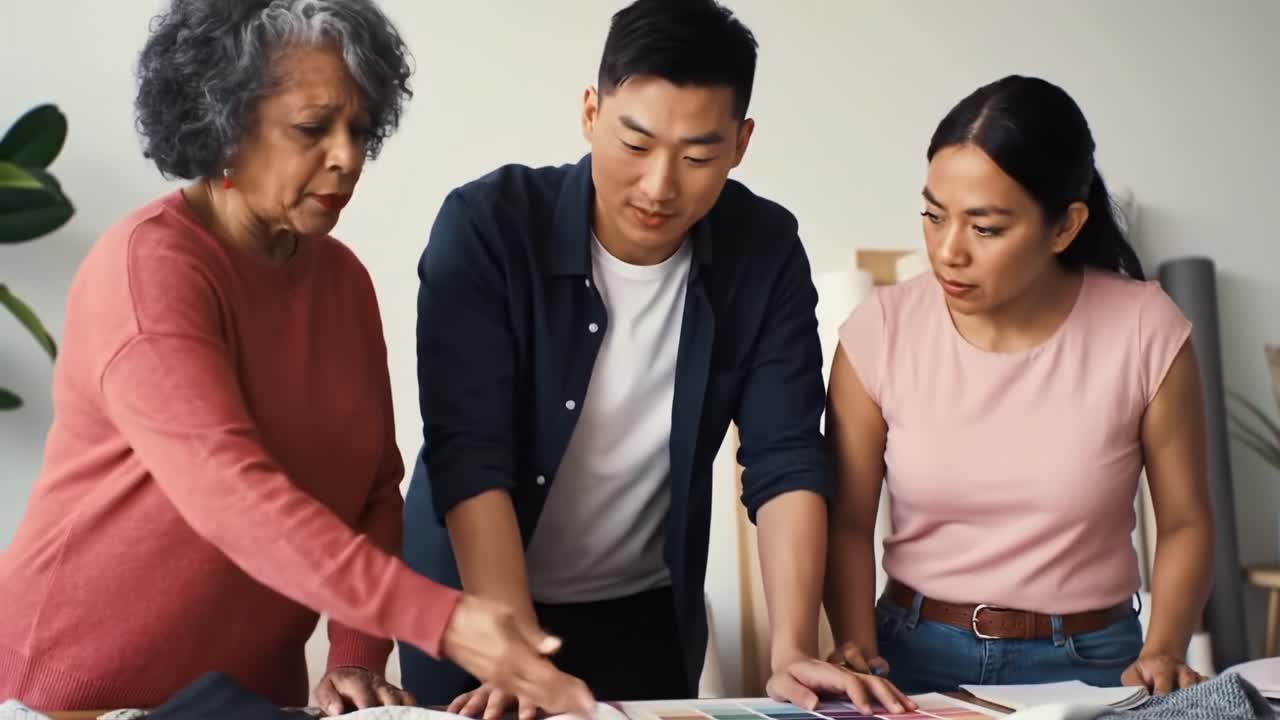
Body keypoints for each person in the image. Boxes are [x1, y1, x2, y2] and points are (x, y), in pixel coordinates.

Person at [0, 1, 592, 716]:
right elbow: (232, 495)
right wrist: (446, 620)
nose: (346, 157)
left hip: (244, 703)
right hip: (69, 697)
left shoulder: (341, 280)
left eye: (360, 129)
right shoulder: (149, 269)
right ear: (222, 124)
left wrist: (355, 657)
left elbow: (373, 487)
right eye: (312, 129)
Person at [398, 0, 913, 717]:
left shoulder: (761, 251)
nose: (660, 185)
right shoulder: (488, 228)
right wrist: (513, 656)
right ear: (589, 111)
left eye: (699, 155)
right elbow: (469, 456)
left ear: (740, 144)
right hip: (475, 612)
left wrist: (791, 649)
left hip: (640, 612)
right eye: (635, 144)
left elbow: (786, 456)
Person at [823, 74, 1215, 696]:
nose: (948, 251)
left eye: (985, 228)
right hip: (909, 660)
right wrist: (854, 643)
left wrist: (1163, 647)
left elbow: (1187, 521)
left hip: (1098, 663)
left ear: (1064, 227)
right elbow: (846, 521)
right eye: (933, 214)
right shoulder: (880, 331)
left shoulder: (1146, 329)